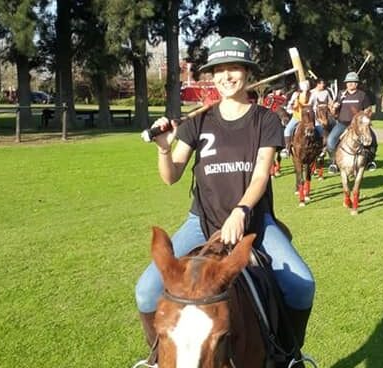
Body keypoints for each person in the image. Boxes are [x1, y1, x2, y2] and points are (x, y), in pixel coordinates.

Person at [134, 36, 315, 364]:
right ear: (211, 75)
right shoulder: (197, 121)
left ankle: (291, 356)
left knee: (302, 285)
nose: (226, 76)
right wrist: (163, 147)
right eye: (219, 70)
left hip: (254, 222)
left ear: (247, 72)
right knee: (146, 290)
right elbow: (171, 174)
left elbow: (261, 174)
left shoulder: (266, 120)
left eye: (233, 68)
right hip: (201, 222)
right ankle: (158, 359)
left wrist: (241, 211)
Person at [327, 71, 377, 173]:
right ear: (346, 84)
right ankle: (334, 162)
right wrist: (334, 107)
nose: (350, 84)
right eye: (348, 82)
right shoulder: (341, 94)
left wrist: (365, 116)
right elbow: (333, 111)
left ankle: (370, 162)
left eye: (353, 82)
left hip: (358, 125)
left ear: (357, 84)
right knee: (330, 141)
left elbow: (368, 109)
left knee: (372, 139)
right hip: (342, 123)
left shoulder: (362, 95)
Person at [280, 81, 312, 157]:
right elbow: (292, 104)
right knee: (287, 130)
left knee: (319, 129)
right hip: (297, 117)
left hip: (309, 118)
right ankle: (287, 148)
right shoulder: (296, 94)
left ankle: (322, 147)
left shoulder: (311, 95)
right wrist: (290, 106)